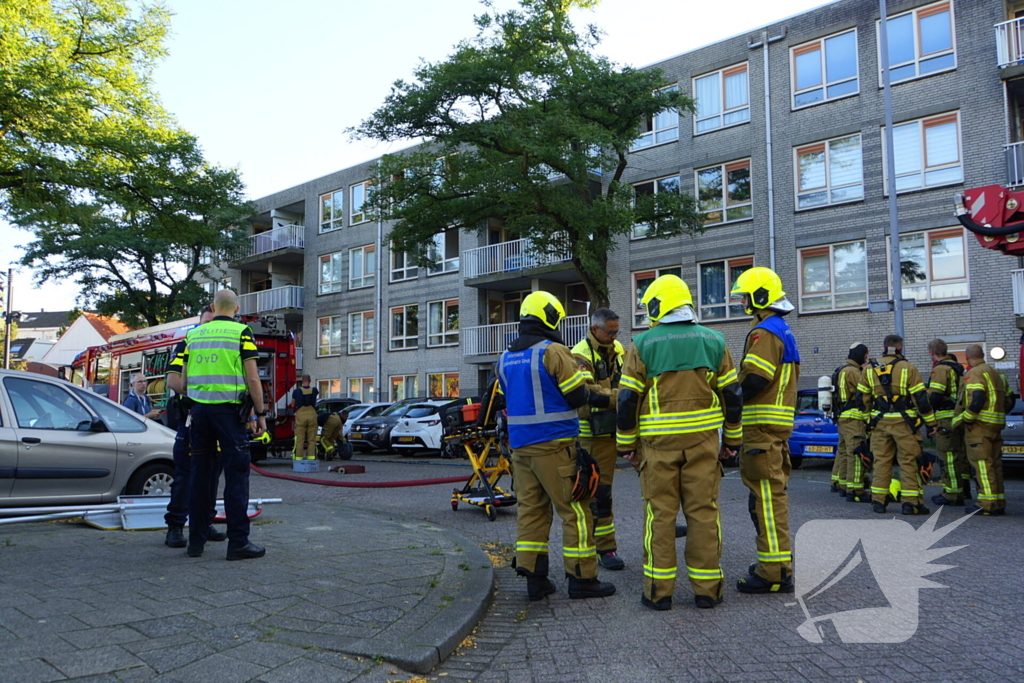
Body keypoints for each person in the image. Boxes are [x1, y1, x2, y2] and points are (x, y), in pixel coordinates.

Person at [616, 275, 741, 610]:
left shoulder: (643, 344)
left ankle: (659, 593)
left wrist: (626, 445)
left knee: (660, 514)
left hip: (658, 446)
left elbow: (628, 400)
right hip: (703, 443)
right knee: (703, 512)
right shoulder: (715, 341)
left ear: (658, 305)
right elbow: (731, 394)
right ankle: (707, 592)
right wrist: (732, 439)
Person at [497, 290, 615, 601]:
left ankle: (535, 580)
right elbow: (577, 396)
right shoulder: (554, 351)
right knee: (576, 511)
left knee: (532, 513)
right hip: (555, 446)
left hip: (520, 450)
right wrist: (610, 396)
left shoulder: (505, 357)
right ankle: (582, 580)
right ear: (551, 318)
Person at [182, 288, 267, 560]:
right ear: (237, 308)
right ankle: (238, 543)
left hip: (199, 413)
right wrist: (260, 413)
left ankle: (195, 542)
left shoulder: (193, 335)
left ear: (212, 306)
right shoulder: (241, 333)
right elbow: (253, 379)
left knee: (200, 476)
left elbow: (183, 382)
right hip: (230, 415)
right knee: (236, 477)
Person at [730, 267, 799, 594]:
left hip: (760, 428)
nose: (742, 301)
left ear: (759, 297)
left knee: (766, 502)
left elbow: (755, 379)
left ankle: (773, 573)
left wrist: (729, 399)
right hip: (773, 428)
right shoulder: (781, 329)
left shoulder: (765, 331)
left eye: (745, 295)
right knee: (769, 499)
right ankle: (777, 565)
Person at [571, 307, 626, 571]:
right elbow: (586, 393)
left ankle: (663, 524)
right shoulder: (580, 353)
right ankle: (604, 547)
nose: (614, 337)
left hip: (618, 429)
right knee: (599, 493)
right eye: (609, 332)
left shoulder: (619, 350)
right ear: (595, 329)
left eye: (617, 331)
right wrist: (621, 398)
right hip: (593, 435)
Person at [163, 308, 224, 548]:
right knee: (185, 476)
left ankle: (204, 523)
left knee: (212, 477)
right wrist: (203, 396)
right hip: (191, 421)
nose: (209, 328)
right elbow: (172, 380)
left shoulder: (222, 348)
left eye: (213, 323)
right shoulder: (186, 344)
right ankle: (175, 527)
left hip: (216, 422)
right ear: (198, 324)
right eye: (205, 323)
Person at [858, 334, 937, 516]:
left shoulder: (869, 369)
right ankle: (911, 504)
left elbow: (861, 399)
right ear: (900, 348)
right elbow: (920, 399)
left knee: (881, 462)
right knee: (908, 461)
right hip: (905, 424)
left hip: (879, 423)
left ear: (885, 347)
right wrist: (931, 423)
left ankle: (878, 501)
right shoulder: (908, 368)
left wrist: (867, 420)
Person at [955, 345, 1007, 516]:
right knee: (995, 465)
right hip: (996, 425)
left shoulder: (974, 373)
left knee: (983, 466)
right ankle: (998, 501)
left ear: (967, 357)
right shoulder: (996, 373)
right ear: (983, 355)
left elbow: (977, 397)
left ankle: (987, 504)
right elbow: (1008, 400)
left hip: (980, 427)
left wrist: (968, 419)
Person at [927, 339, 969, 506]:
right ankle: (963, 488)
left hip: (946, 419)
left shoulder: (940, 369)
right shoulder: (959, 368)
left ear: (932, 353)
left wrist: (928, 417)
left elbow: (935, 396)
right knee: (961, 455)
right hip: (960, 417)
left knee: (948, 457)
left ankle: (952, 493)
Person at [832, 343, 870, 503]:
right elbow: (864, 391)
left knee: (843, 451)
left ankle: (839, 482)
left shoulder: (842, 369)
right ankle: (855, 489)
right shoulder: (853, 372)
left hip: (843, 417)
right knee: (855, 453)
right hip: (854, 418)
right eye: (866, 355)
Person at [290, 375, 319, 460]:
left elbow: (292, 404)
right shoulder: (314, 390)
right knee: (312, 440)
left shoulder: (297, 391)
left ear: (302, 381)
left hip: (301, 415)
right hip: (312, 414)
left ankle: (299, 458)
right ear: (310, 381)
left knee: (299, 440)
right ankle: (311, 458)